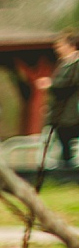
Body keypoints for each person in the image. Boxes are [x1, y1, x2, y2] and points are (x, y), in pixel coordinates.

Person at [40, 32, 79, 166]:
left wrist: (51, 84)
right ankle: (66, 166)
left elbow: (71, 83)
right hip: (60, 112)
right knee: (63, 139)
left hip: (72, 110)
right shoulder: (63, 64)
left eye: (61, 45)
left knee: (68, 135)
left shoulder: (76, 64)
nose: (57, 49)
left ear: (71, 46)